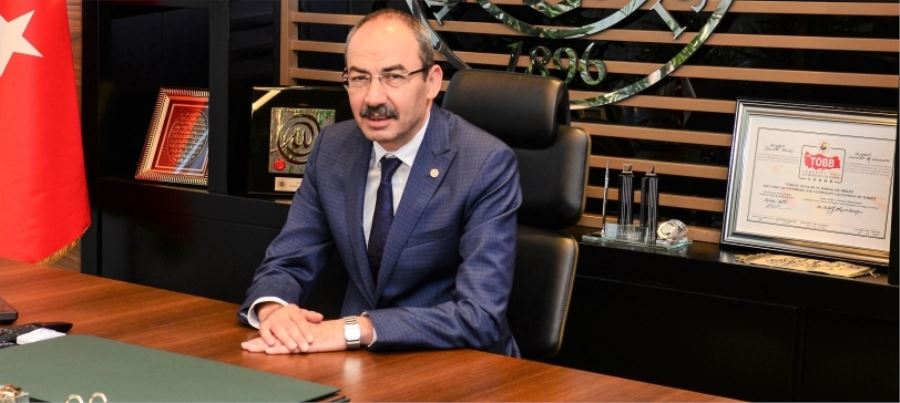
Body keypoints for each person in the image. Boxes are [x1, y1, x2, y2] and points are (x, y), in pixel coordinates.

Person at [238, 8, 522, 356]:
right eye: (359, 78)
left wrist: (356, 329)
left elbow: (480, 316)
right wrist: (274, 310)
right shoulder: (333, 147)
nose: (373, 98)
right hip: (360, 363)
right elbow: (289, 259)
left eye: (393, 77)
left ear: (432, 82)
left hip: (456, 362)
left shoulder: (485, 162)